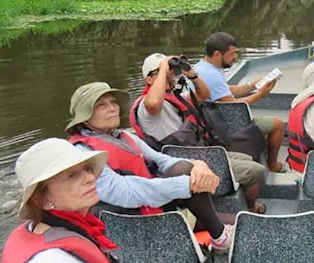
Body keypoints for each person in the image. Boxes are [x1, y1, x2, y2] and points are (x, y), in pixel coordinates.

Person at [66, 82, 234, 254]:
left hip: (154, 209)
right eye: (101, 105)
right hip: (131, 226)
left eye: (113, 102)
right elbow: (125, 192)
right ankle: (219, 236)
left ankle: (218, 235)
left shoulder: (124, 136)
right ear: (85, 117)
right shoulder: (82, 153)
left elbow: (163, 160)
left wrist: (197, 165)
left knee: (186, 169)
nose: (112, 108)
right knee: (231, 223)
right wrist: (187, 184)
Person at [132, 53, 266, 213]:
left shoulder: (175, 98)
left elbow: (204, 95)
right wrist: (163, 69)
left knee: (247, 158)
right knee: (257, 171)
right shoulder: (145, 108)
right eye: (162, 72)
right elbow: (154, 103)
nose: (169, 74)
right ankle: (251, 209)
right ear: (149, 79)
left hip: (201, 153)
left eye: (170, 71)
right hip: (186, 164)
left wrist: (191, 74)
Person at [0, 138, 126, 263]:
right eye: (72, 176)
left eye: (87, 169)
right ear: (42, 199)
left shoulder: (48, 228)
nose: (91, 178)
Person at [194, 32, 288, 173]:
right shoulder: (212, 75)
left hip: (212, 120)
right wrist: (260, 95)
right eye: (231, 54)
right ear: (217, 54)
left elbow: (225, 91)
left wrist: (252, 86)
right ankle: (272, 165)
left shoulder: (201, 67)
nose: (235, 57)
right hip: (223, 126)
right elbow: (234, 107)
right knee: (278, 124)